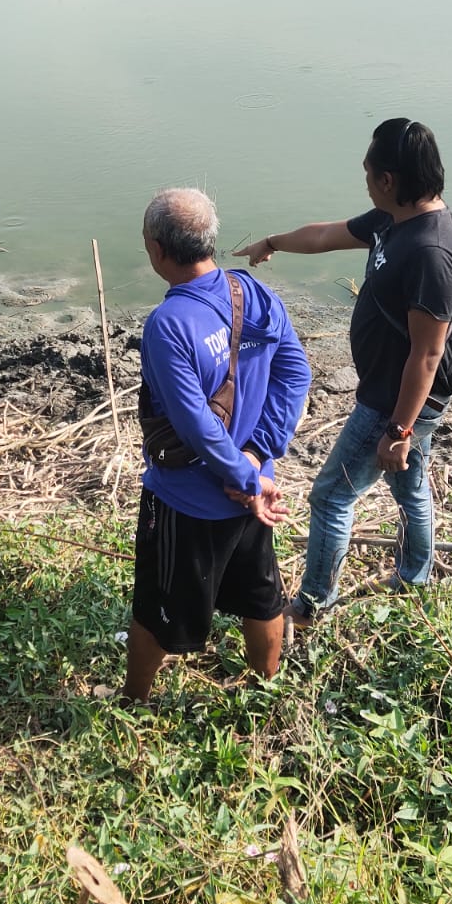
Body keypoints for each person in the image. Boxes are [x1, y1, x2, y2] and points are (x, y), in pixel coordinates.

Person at [233, 117, 452, 622]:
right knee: (409, 484)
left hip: (392, 402)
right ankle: (416, 575)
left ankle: (313, 604)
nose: (364, 180)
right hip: (391, 396)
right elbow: (327, 235)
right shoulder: (395, 219)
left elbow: (427, 354)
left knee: (331, 496)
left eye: (368, 172)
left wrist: (400, 429)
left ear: (388, 180)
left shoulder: (431, 253)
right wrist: (271, 241)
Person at [123, 188, 312, 703]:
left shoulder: (168, 325)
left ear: (157, 249)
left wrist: (245, 477)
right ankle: (264, 691)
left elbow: (195, 427)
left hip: (189, 500)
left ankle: (133, 701)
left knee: (156, 608)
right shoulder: (254, 295)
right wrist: (257, 459)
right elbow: (296, 374)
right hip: (254, 494)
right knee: (261, 597)